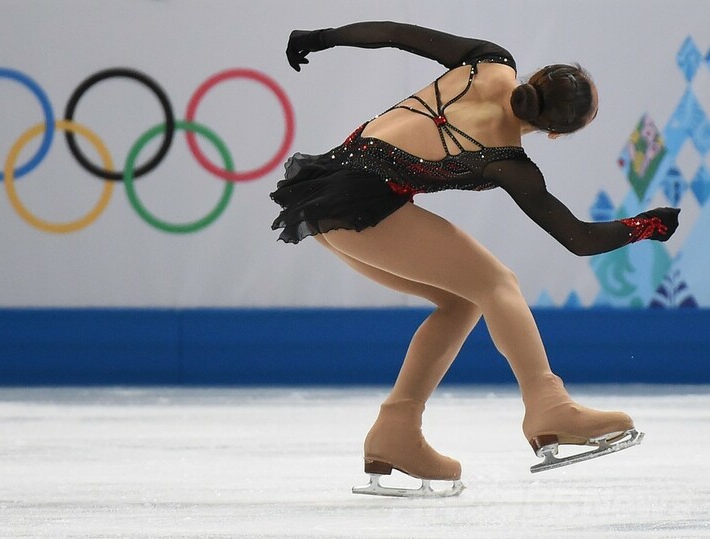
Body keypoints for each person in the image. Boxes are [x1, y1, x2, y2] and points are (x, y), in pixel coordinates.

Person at [270, 21, 679, 496]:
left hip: (320, 190)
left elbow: (395, 33)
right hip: (361, 207)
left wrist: (320, 38)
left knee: (463, 301)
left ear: (538, 76)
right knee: (498, 284)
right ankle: (548, 405)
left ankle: (396, 431)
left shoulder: (489, 61)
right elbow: (579, 238)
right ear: (554, 133)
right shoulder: (508, 161)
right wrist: (645, 225)